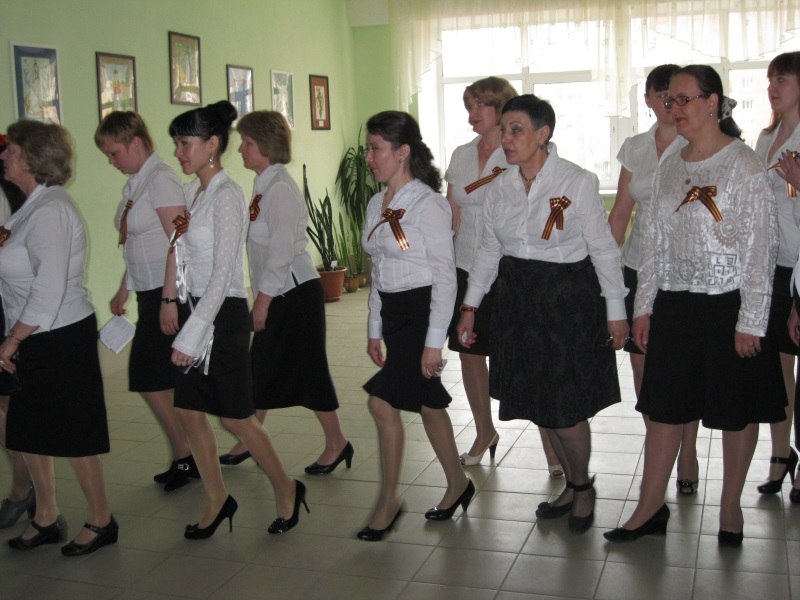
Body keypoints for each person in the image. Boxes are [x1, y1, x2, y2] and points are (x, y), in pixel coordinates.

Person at [605, 65, 785, 546]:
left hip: (730, 306)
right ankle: (648, 507)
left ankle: (729, 508)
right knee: (664, 407)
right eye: (670, 100)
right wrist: (644, 306)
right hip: (675, 304)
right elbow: (655, 242)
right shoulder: (671, 165)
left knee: (734, 410)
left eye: (684, 99)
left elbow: (761, 249)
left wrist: (751, 321)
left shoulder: (743, 164)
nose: (675, 108)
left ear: (712, 103)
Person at [457, 94, 628, 534]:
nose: (506, 139)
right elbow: (488, 251)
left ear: (542, 134)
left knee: (566, 407)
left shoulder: (577, 181)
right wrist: (470, 306)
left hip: (567, 300)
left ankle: (583, 485)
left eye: (516, 130)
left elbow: (603, 248)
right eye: (504, 130)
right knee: (541, 404)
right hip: (517, 300)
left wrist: (616, 310)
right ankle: (571, 484)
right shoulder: (500, 186)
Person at [168, 101, 306, 539]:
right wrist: (171, 300)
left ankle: (286, 487)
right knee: (188, 410)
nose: (178, 152)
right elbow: (180, 253)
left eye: (185, 144)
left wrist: (192, 333)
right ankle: (217, 498)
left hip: (221, 315)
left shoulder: (227, 196)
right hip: (194, 308)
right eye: (176, 144)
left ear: (212, 144)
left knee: (237, 418)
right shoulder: (193, 193)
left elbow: (225, 272)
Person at [0, 120, 117, 555]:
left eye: (11, 150)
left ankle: (101, 520)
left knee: (74, 431)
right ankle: (46, 516)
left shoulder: (50, 211)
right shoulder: (30, 207)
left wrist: (13, 340)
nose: (4, 155)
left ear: (32, 160)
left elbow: (48, 289)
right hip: (34, 332)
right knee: (30, 429)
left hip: (60, 334)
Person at [360, 111, 471, 541]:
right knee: (428, 403)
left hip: (423, 311)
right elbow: (379, 268)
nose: (369, 157)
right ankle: (458, 483)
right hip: (393, 312)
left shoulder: (429, 205)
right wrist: (374, 326)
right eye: (368, 148)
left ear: (403, 152)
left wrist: (433, 342)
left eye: (376, 149)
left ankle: (388, 501)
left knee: (381, 404)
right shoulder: (377, 203)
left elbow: (445, 277)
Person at [222, 110, 352, 474]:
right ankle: (251, 438)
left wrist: (261, 302)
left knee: (310, 369)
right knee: (261, 366)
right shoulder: (264, 185)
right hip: (279, 292)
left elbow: (280, 254)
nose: (241, 150)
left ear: (265, 145)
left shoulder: (279, 189)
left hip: (294, 294)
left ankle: (337, 443)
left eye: (247, 143)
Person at [444, 77, 560, 474]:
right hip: (466, 264)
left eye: (480, 105)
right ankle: (484, 432)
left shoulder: (517, 152)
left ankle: (551, 446)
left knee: (527, 356)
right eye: (469, 105)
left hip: (510, 268)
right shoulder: (461, 155)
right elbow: (452, 214)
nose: (472, 113)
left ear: (501, 108)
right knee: (470, 354)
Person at [608, 64, 701, 496]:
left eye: (675, 95)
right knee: (642, 364)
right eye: (659, 94)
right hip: (638, 266)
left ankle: (687, 450)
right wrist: (602, 271)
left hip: (682, 273)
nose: (668, 102)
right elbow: (621, 213)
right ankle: (658, 444)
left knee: (680, 365)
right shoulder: (636, 147)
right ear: (647, 99)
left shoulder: (695, 141)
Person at [94, 111, 199, 491]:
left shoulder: (161, 180)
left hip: (167, 293)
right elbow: (137, 244)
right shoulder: (137, 183)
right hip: (148, 291)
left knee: (151, 379)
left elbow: (178, 242)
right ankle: (186, 457)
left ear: (136, 142)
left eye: (114, 152)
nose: (111, 161)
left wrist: (168, 298)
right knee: (157, 380)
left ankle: (188, 457)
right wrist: (125, 286)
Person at [753, 52, 800, 498]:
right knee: (778, 368)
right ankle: (782, 454)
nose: (772, 87)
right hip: (773, 267)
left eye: (782, 79)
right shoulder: (767, 137)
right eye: (770, 79)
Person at [0, 132, 33, 529]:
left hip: (6, 308)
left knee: (9, 406)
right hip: (10, 306)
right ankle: (26, 486)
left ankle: (23, 488)